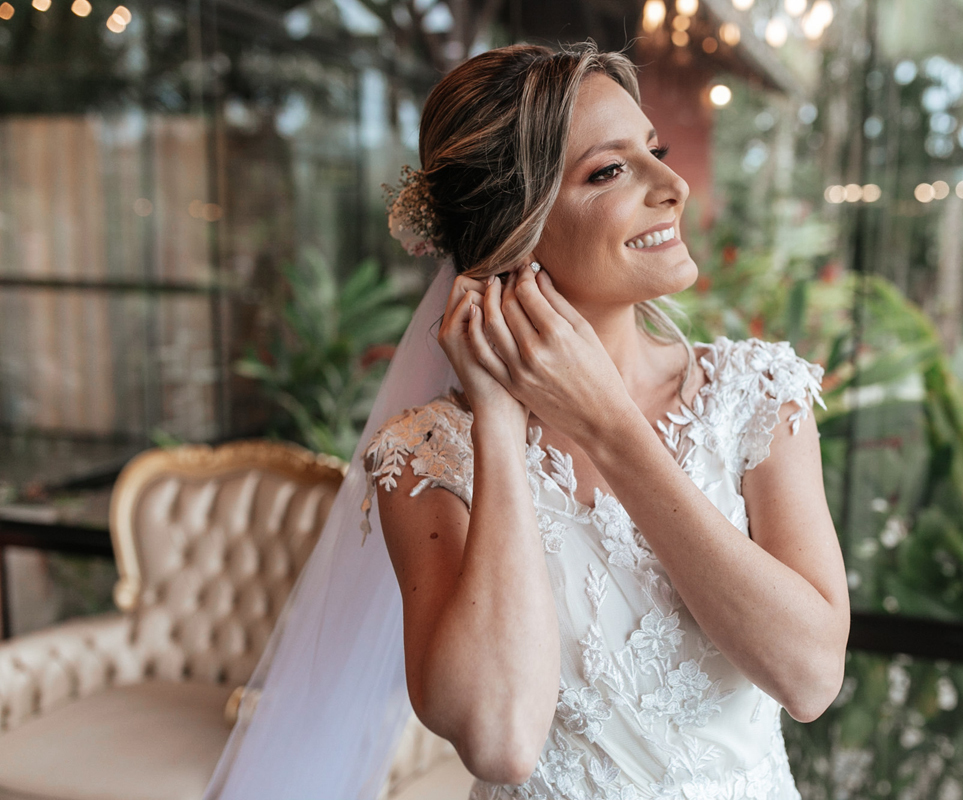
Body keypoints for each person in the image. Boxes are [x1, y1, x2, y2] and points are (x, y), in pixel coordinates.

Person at [204, 42, 848, 800]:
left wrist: (611, 428)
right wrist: (499, 424)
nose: (673, 186)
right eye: (609, 171)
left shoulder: (756, 396)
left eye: (655, 152)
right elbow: (501, 741)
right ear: (518, 230)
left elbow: (810, 679)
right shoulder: (426, 458)